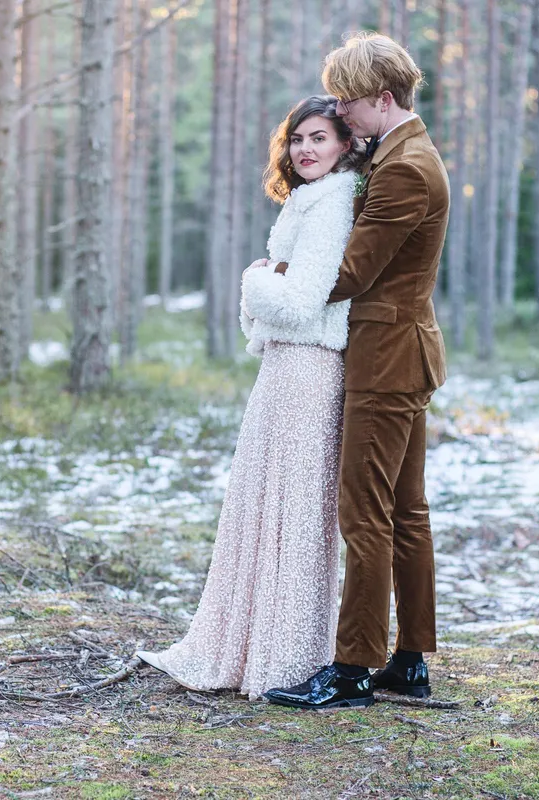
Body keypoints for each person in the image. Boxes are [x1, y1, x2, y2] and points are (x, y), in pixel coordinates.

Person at [136, 96, 366, 699]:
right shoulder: (307, 200)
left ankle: (285, 657)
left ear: (345, 144)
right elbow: (276, 309)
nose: (305, 150)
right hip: (284, 366)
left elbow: (298, 300)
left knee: (293, 507)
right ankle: (252, 644)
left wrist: (257, 276)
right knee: (265, 504)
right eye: (297, 140)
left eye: (319, 138)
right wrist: (272, 281)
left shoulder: (333, 203)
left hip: (308, 369)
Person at [263, 32, 450, 710]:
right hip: (403, 351)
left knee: (364, 514)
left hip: (385, 356)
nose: (341, 115)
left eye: (347, 102)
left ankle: (351, 670)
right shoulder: (405, 153)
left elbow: (349, 274)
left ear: (381, 98)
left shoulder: (404, 169)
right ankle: (409, 662)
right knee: (404, 512)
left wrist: (275, 276)